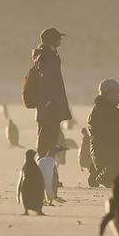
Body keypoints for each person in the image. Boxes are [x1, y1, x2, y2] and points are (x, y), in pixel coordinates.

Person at [33, 28, 72, 158]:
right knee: (47, 137)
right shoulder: (45, 55)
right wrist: (50, 100)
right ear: (52, 40)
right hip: (49, 104)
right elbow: (47, 78)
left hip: (50, 103)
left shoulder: (48, 54)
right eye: (58, 38)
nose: (60, 40)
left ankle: (48, 167)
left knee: (50, 136)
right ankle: (45, 164)